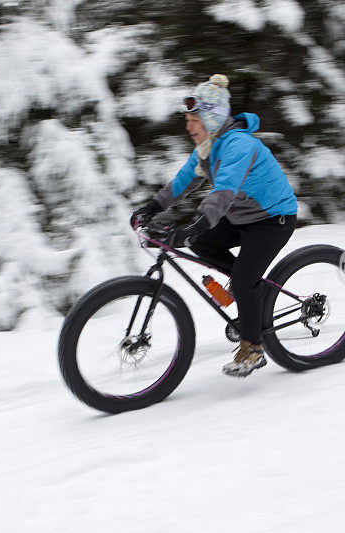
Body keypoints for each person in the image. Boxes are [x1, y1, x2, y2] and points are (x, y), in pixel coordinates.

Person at [130, 74, 298, 378]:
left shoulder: (238, 145)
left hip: (273, 219)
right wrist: (152, 208)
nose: (188, 126)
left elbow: (223, 191)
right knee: (202, 243)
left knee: (245, 278)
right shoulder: (207, 148)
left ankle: (254, 348)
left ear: (211, 117)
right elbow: (183, 182)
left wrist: (197, 223)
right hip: (243, 218)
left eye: (194, 119)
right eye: (187, 120)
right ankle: (248, 289)